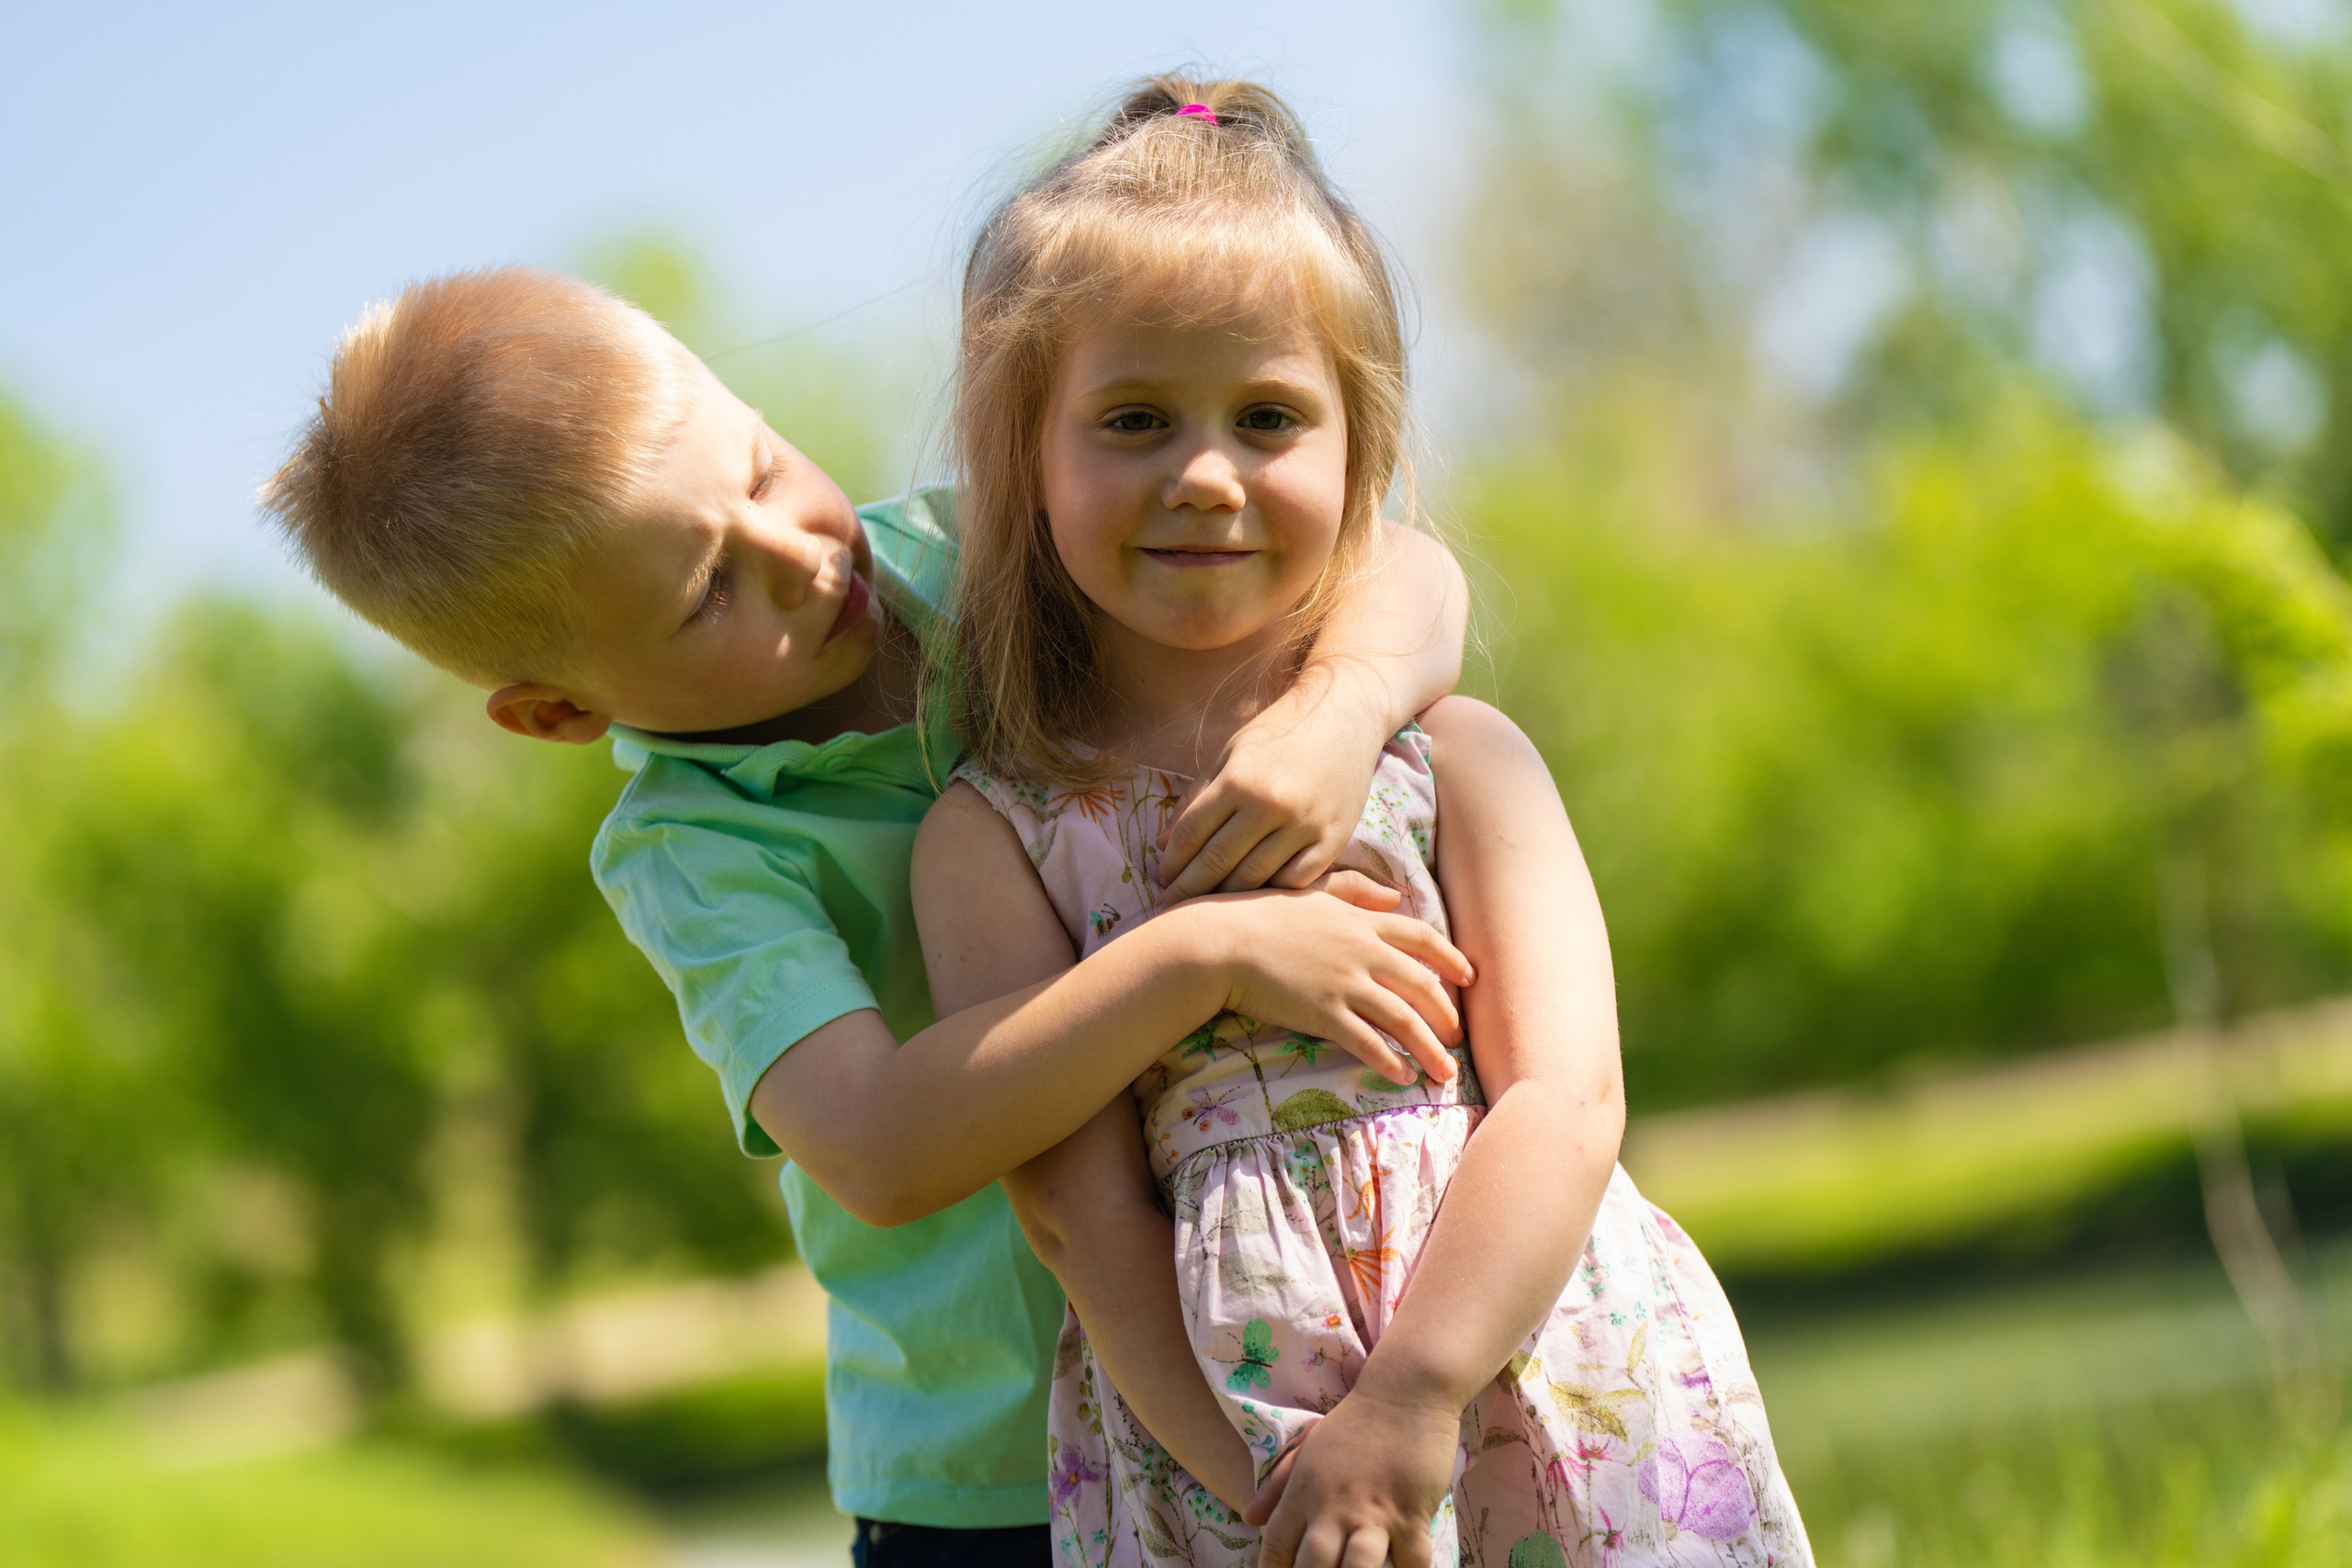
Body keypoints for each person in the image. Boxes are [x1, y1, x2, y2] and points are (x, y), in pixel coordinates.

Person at [257, 265, 1473, 1567]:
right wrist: (1202, 956)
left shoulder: (983, 557)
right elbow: (880, 1146)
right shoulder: (698, 851)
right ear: (557, 712)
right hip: (998, 1467)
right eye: (707, 592)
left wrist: (1341, 707)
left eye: (764, 470)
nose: (801, 557)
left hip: (1295, 1338)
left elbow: (1402, 565)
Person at [914, 77, 1813, 1568]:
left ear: (1361, 453)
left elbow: (1567, 1098)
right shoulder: (995, 834)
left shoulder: (1453, 760)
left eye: (1268, 417)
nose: (1205, 474)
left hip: (1525, 1363)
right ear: (1026, 457)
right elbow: (1080, 1217)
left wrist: (1412, 1404)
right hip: (1224, 1444)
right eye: (1132, 420)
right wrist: (1276, 1491)